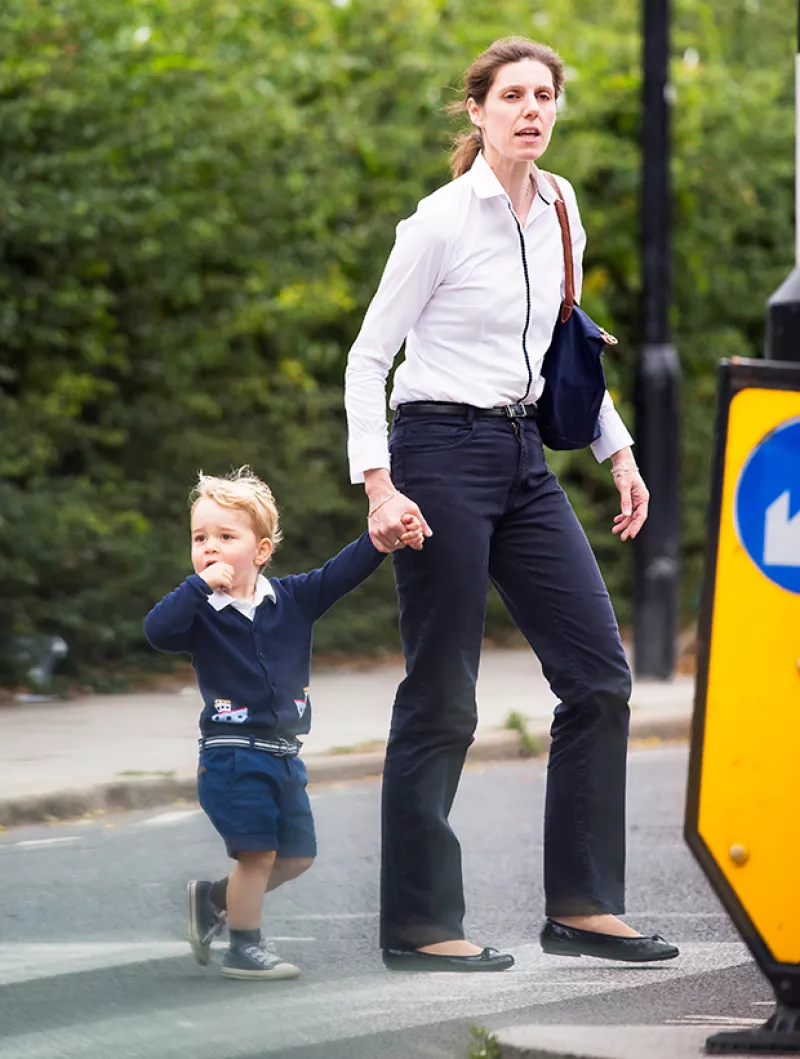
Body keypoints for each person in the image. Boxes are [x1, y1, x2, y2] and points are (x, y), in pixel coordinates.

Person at [344, 36, 679, 971]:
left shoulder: (562, 206)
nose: (531, 110)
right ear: (478, 111)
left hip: (524, 452)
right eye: (513, 96)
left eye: (544, 96)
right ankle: (419, 924)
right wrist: (380, 484)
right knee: (444, 692)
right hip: (436, 455)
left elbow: (563, 341)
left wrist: (619, 451)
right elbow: (370, 359)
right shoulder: (439, 222)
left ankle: (582, 905)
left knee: (599, 676)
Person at [143, 466, 424, 980]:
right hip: (230, 755)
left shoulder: (291, 600)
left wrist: (382, 538)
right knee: (258, 855)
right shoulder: (200, 611)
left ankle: (213, 899)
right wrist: (196, 587)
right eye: (199, 538)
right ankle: (244, 948)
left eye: (226, 537)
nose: (210, 547)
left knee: (296, 857)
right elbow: (157, 631)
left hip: (283, 755)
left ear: (262, 550)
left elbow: (342, 572)